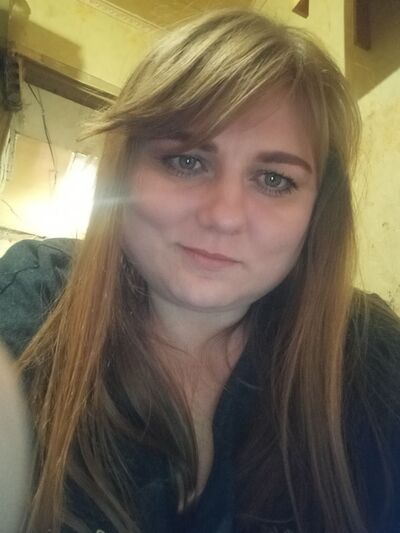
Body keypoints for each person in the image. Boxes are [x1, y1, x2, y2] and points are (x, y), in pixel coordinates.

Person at [0, 8, 399, 533]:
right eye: (187, 160)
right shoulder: (34, 297)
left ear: (317, 211)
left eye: (274, 180)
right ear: (125, 169)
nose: (224, 216)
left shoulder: (366, 352)